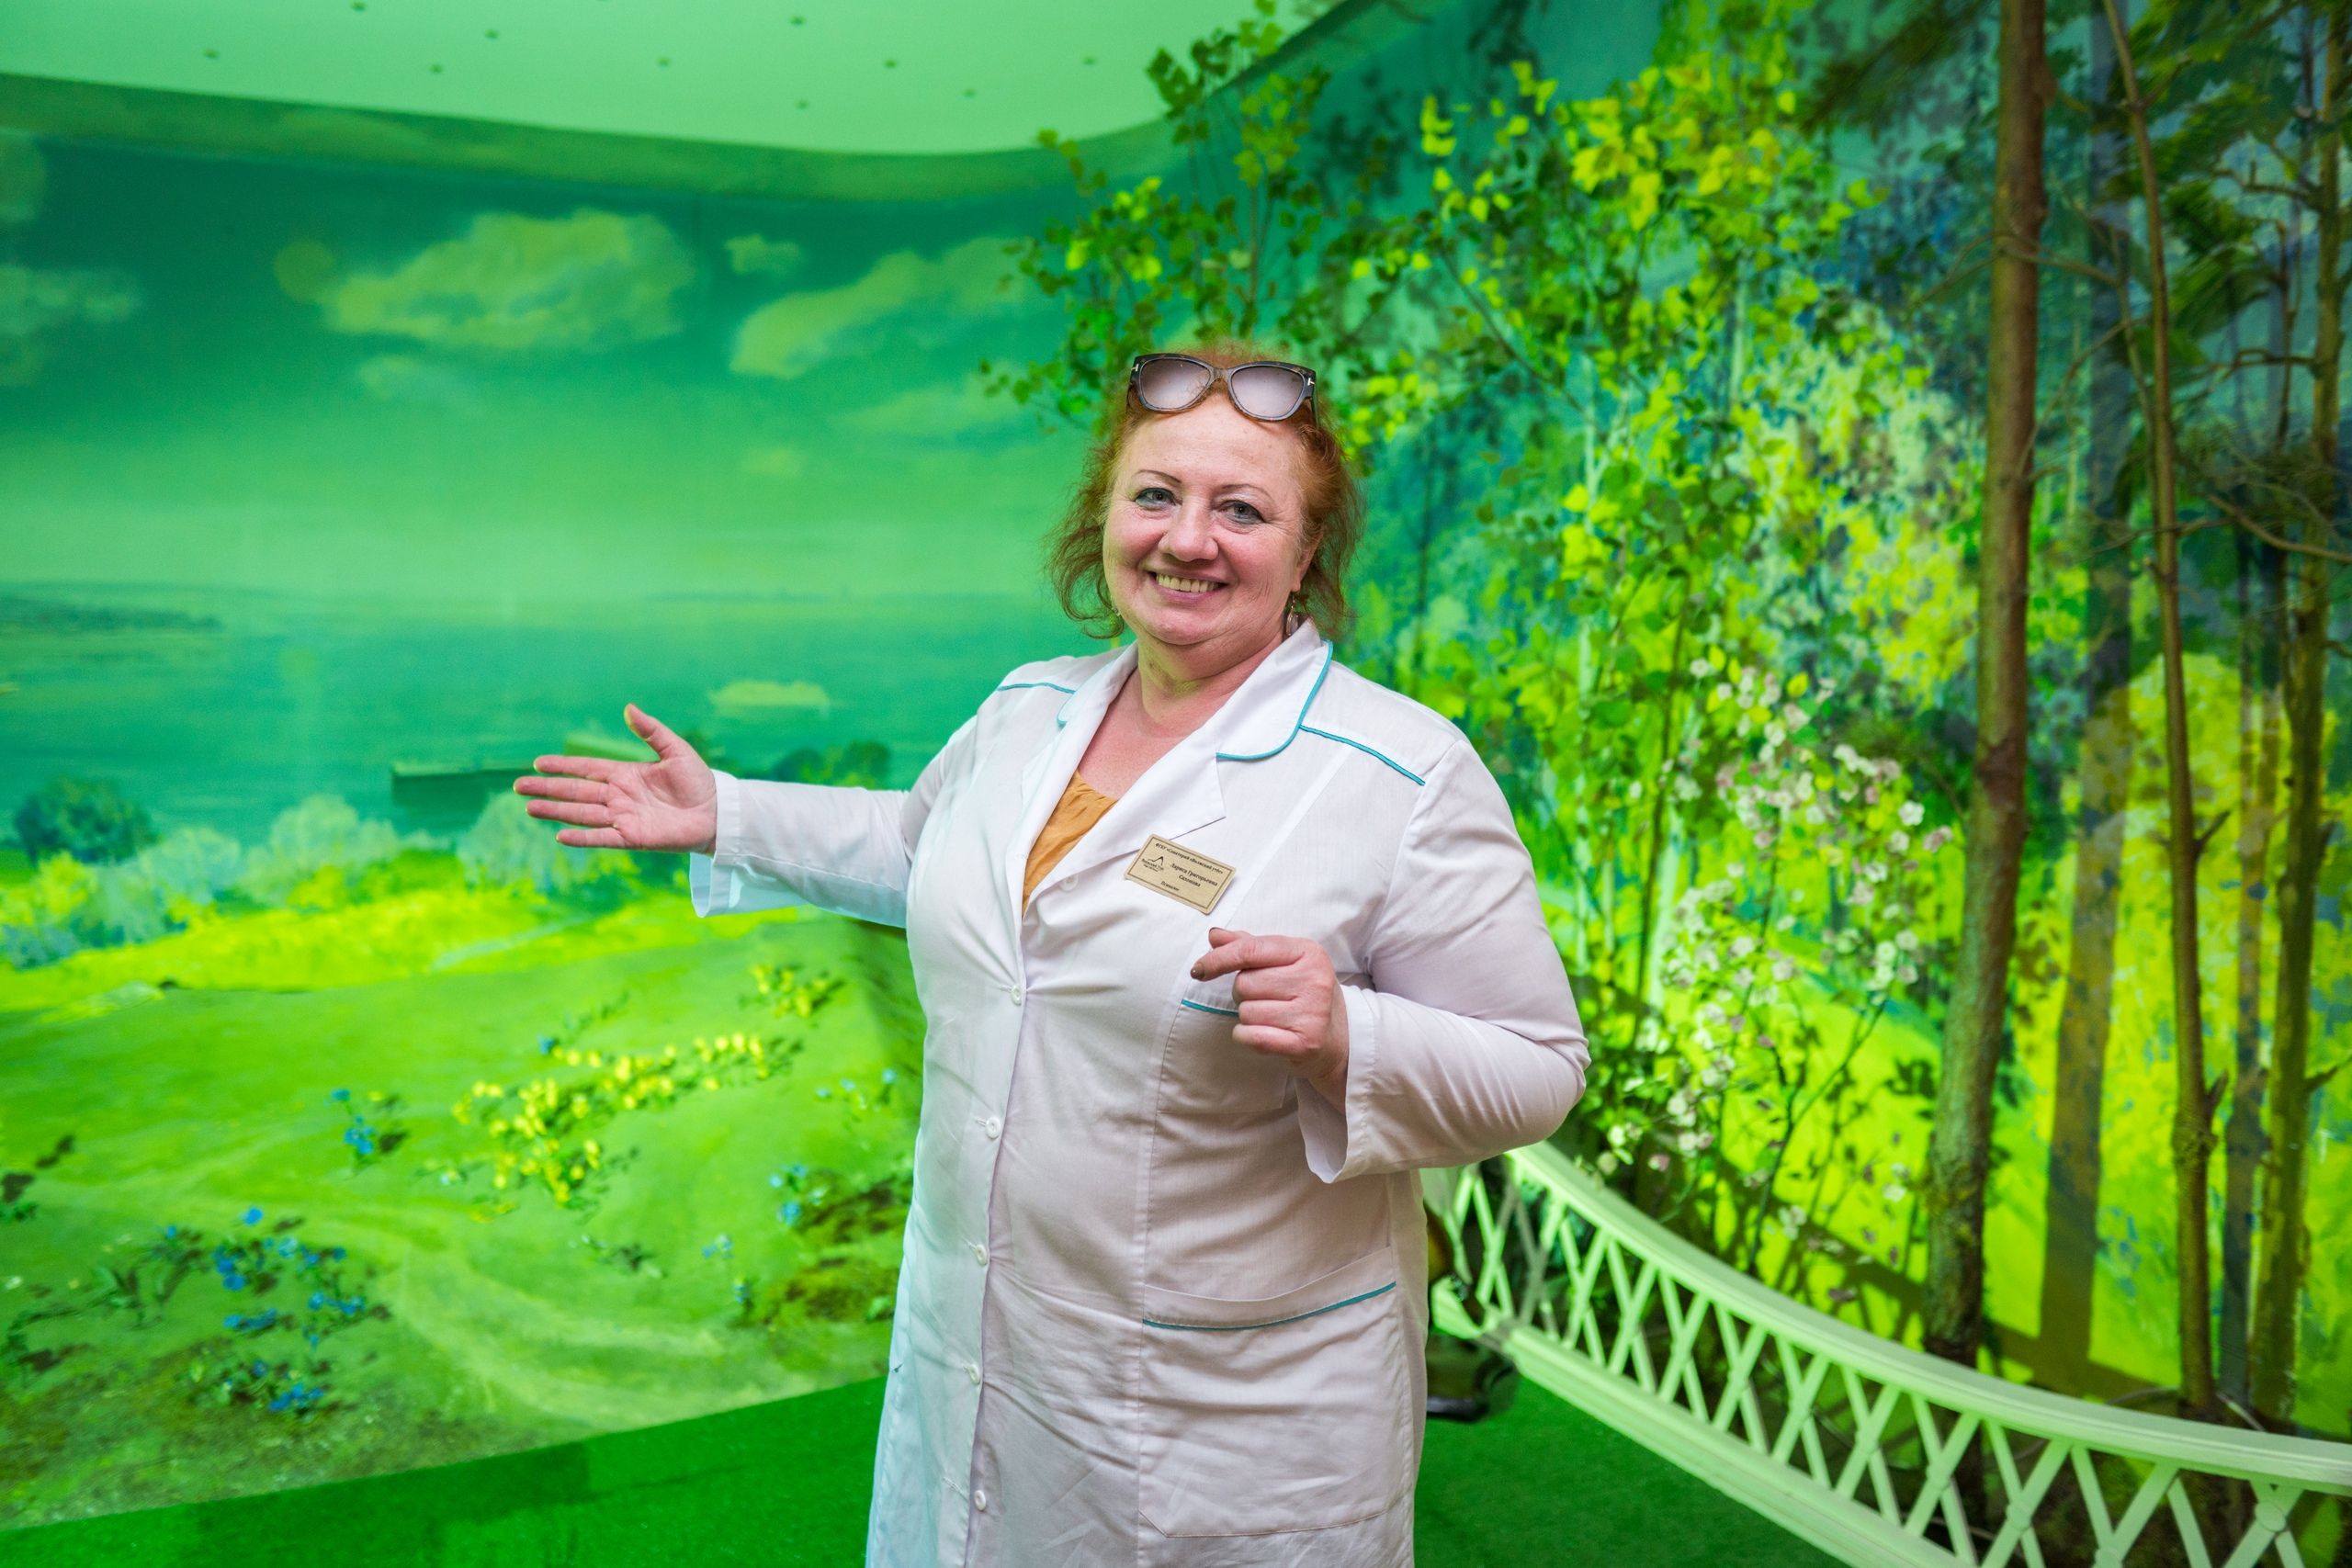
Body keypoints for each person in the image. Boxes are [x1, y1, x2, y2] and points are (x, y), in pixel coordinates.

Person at [515, 342, 1589, 1567]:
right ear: (1106, 519)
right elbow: (925, 853)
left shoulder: (1400, 773)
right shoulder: (1031, 708)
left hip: (1224, 1415)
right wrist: (730, 814)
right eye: (1155, 495)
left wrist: (1351, 1033)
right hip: (989, 1342)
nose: (1188, 539)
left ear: (1307, 554)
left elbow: (1537, 1065)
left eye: (1243, 510)